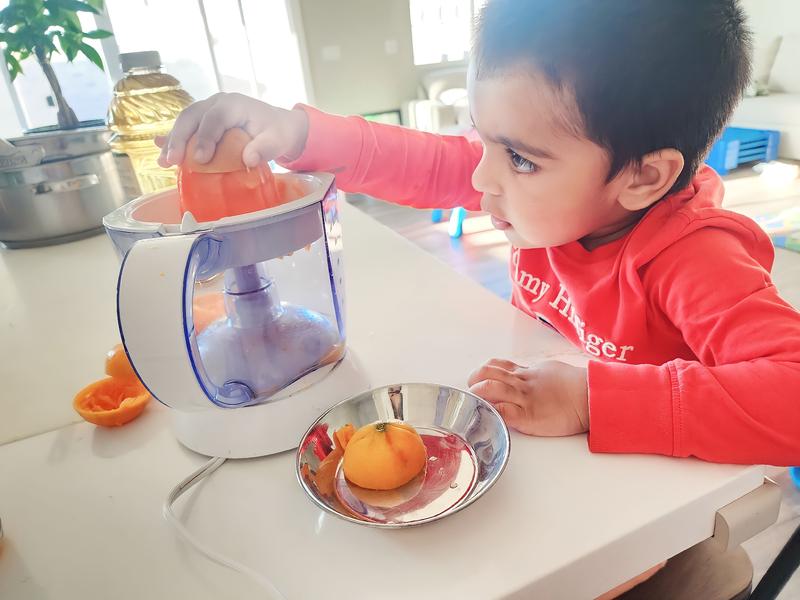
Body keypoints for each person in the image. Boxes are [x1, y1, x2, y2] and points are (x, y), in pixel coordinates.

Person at [158, 0, 800, 469]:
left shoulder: (695, 255)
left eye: (519, 157)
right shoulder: (564, 195)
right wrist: (301, 136)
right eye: (482, 137)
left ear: (642, 177)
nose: (482, 176)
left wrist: (588, 400)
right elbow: (431, 160)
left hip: (662, 512)